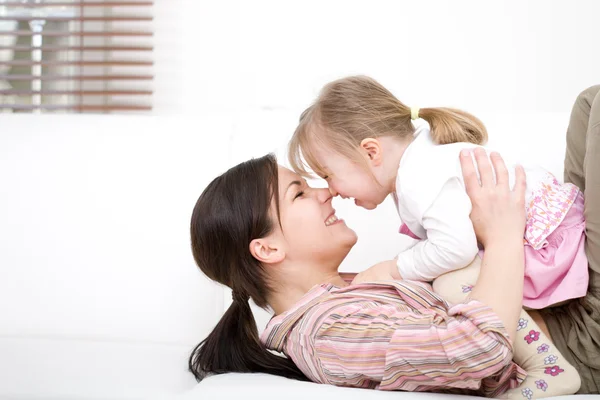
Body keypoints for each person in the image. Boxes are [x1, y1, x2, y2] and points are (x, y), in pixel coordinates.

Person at [187, 148, 580, 397]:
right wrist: (503, 235)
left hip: (570, 298)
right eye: (299, 193)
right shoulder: (327, 332)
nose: (325, 192)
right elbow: (477, 350)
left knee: (586, 106)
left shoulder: (349, 293)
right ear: (268, 248)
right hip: (573, 340)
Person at [287, 75, 587, 311]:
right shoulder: (422, 149)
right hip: (561, 227)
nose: (331, 191)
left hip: (555, 248)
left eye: (329, 175)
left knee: (453, 285)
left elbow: (455, 248)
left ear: (370, 152)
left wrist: (394, 267)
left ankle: (543, 363)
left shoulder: (418, 178)